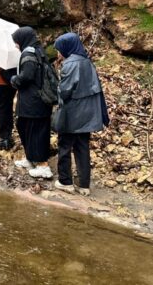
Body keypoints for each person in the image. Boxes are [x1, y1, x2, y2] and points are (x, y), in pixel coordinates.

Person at [52, 33, 109, 196]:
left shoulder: (70, 65)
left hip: (72, 114)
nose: (58, 53)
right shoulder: (87, 62)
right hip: (88, 115)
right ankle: (84, 185)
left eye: (59, 49)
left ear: (66, 47)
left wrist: (58, 86)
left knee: (64, 146)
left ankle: (65, 182)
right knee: (82, 148)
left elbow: (64, 92)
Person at [9, 27, 53, 179]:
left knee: (36, 131)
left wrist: (14, 80)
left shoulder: (28, 53)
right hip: (39, 100)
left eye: (16, 41)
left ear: (23, 39)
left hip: (33, 101)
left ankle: (43, 166)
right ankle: (30, 158)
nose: (15, 45)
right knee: (26, 127)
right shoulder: (38, 51)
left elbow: (27, 76)